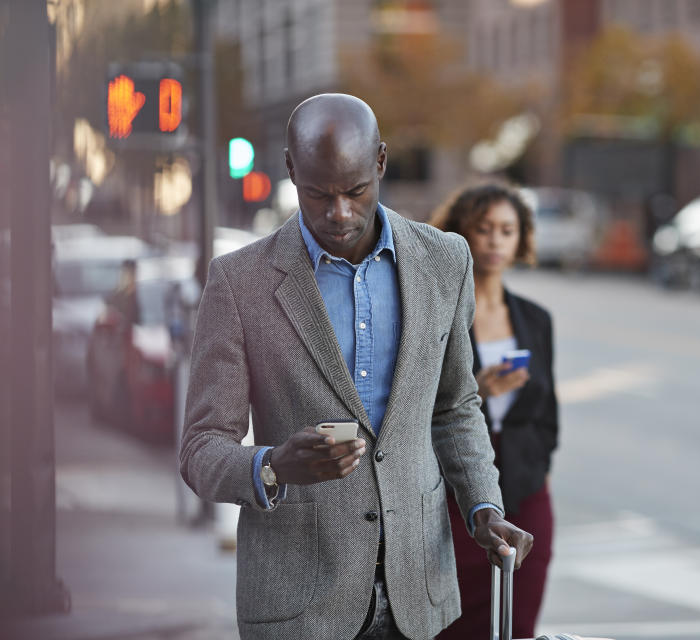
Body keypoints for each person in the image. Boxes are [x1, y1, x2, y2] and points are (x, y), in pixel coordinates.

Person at [179, 94, 533, 640]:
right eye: (318, 194)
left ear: (382, 163)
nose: (339, 212)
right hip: (298, 606)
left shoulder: (446, 260)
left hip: (420, 595)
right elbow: (201, 449)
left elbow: (454, 406)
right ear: (291, 169)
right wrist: (273, 466)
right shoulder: (238, 283)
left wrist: (484, 504)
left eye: (356, 190)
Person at [431, 183, 559, 640]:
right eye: (482, 229)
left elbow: (548, 417)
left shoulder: (535, 319)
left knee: (519, 627)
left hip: (525, 491)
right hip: (455, 496)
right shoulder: (439, 313)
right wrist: (476, 394)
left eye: (507, 230)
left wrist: (532, 467)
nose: (494, 241)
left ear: (521, 238)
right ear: (458, 234)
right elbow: (425, 409)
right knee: (453, 627)